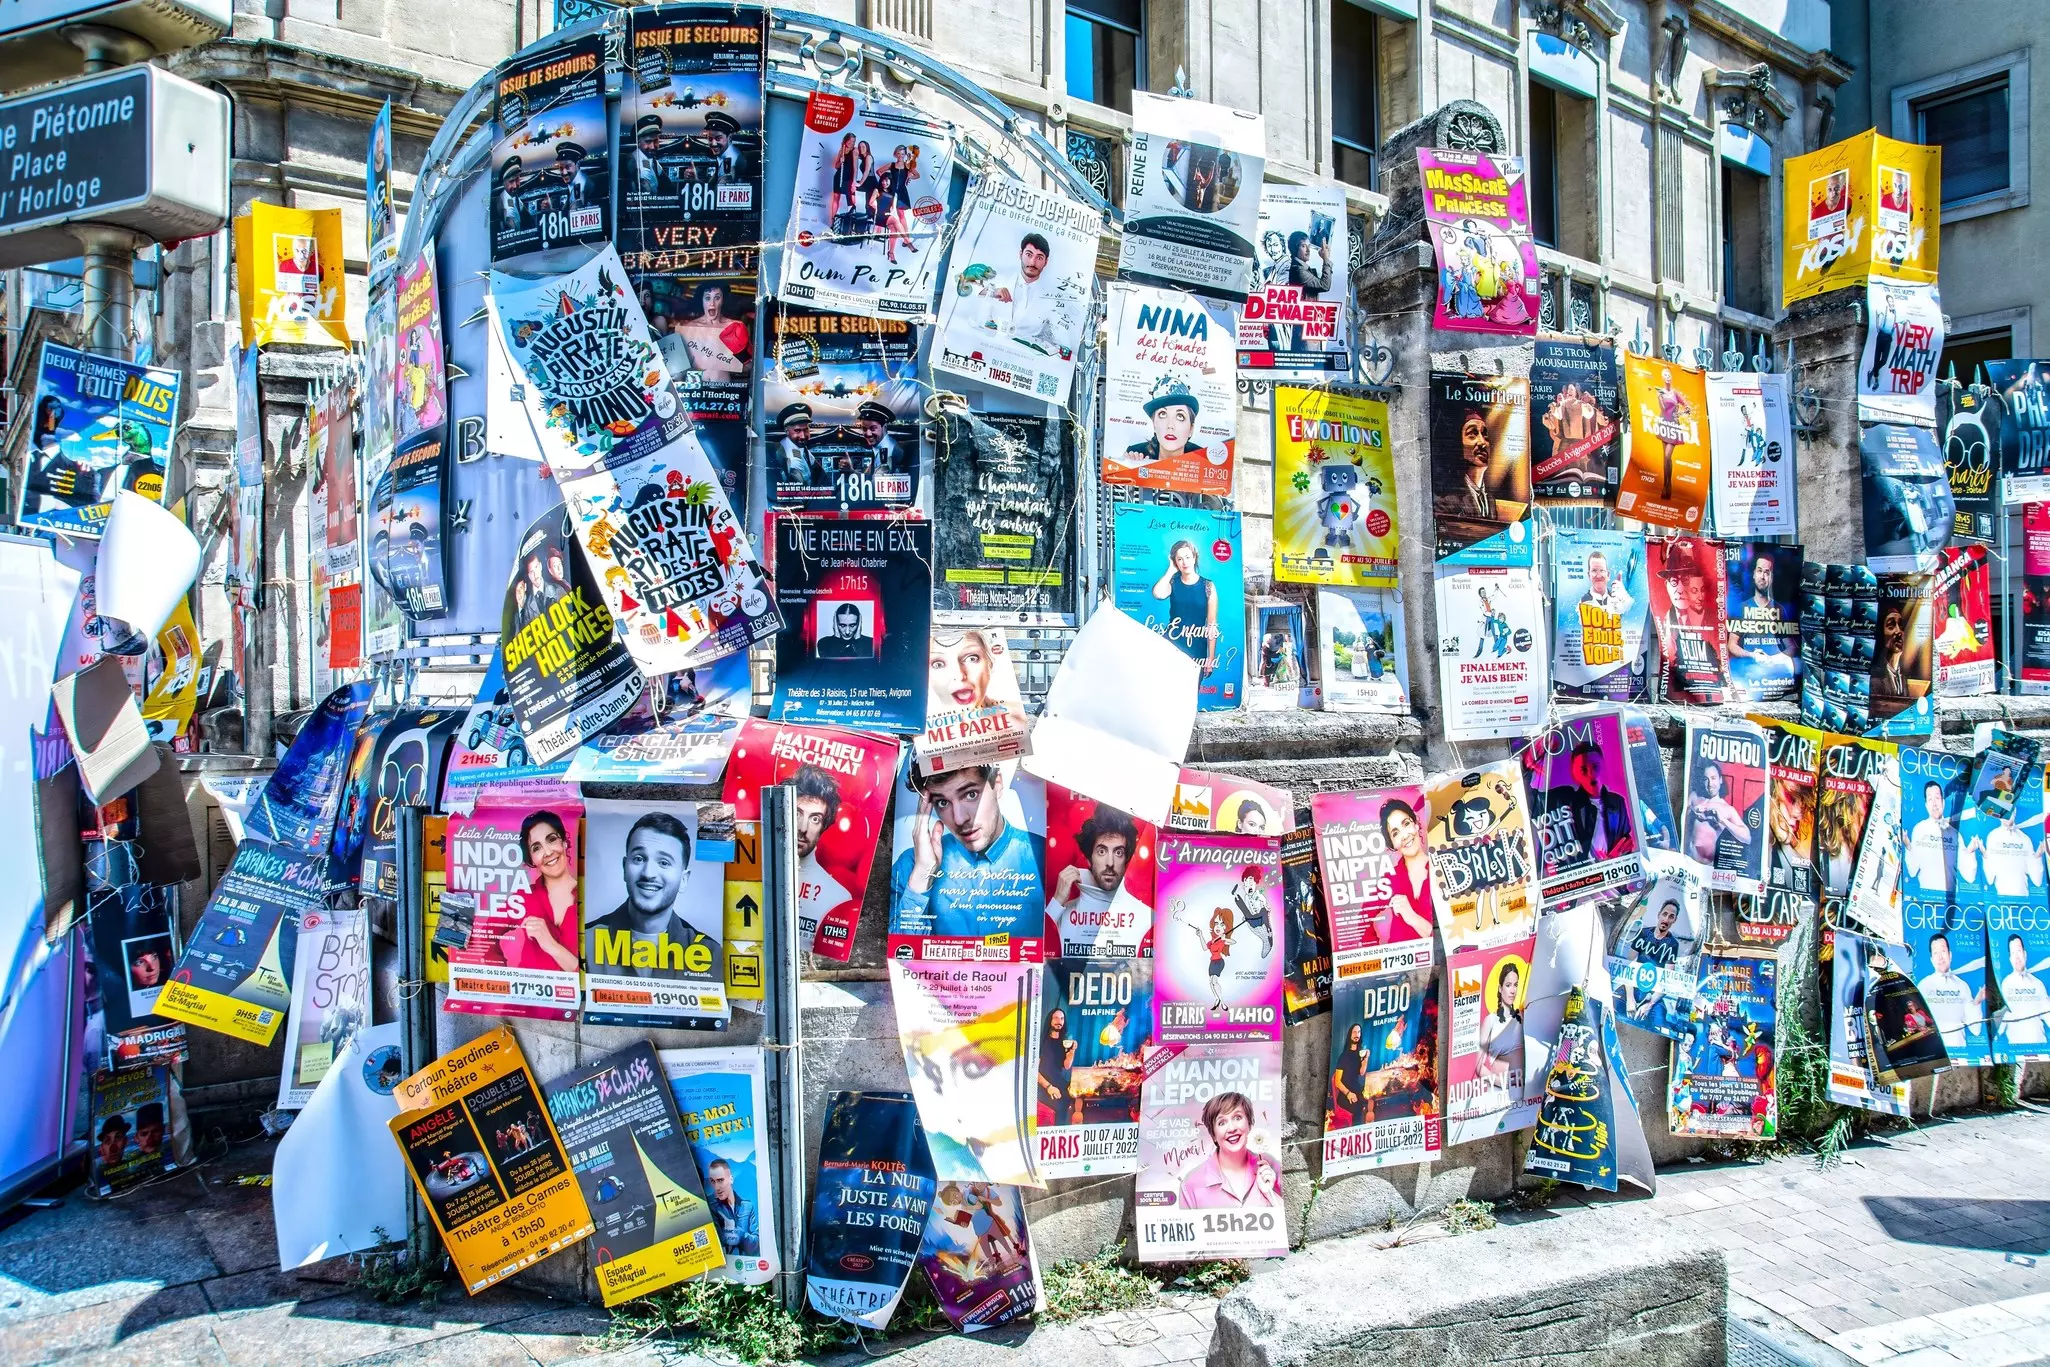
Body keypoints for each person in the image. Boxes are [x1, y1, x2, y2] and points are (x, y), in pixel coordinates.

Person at [893, 763, 1046, 941]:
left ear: (997, 785)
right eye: (942, 803)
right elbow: (901, 955)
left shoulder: (1042, 857)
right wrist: (921, 877)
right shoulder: (911, 865)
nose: (959, 818)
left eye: (971, 794)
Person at [584, 811, 717, 981]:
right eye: (639, 859)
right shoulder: (587, 940)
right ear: (625, 868)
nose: (648, 873)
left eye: (664, 862)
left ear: (683, 880)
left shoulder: (710, 953)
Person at [1045, 806, 1139, 945]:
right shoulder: (1062, 913)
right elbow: (1035, 952)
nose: (1110, 863)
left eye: (1118, 852)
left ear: (1126, 859)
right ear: (1089, 858)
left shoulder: (1144, 915)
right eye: (1102, 852)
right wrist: (1057, 901)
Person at [1539, 741, 1636, 871]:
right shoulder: (1565, 799)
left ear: (1603, 765)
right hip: (1579, 881)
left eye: (1595, 766)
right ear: (1574, 773)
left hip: (1612, 878)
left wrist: (1616, 859)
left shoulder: (1617, 802)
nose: (1591, 774)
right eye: (1583, 769)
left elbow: (1626, 842)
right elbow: (1533, 796)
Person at [502, 811, 580, 973]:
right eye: (536, 848)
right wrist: (500, 980)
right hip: (527, 995)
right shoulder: (522, 898)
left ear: (564, 842)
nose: (548, 852)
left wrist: (550, 945)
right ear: (531, 858)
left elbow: (596, 972)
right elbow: (481, 934)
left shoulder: (588, 895)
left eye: (551, 839)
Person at [1176, 1091, 1281, 1208]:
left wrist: (1269, 1194)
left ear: (1249, 1124)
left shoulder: (1271, 1166)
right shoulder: (1191, 1183)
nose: (1231, 1128)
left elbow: (1294, 1220)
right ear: (1213, 1135)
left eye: (1237, 1117)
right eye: (1221, 1123)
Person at [793, 765, 855, 937]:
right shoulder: (752, 876)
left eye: (815, 819)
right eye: (797, 814)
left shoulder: (838, 898)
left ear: (824, 827)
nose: (802, 828)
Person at [983, 231, 1063, 351]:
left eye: (1039, 257)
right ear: (1021, 254)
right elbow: (969, 293)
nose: (1032, 262)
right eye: (1029, 254)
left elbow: (1054, 337)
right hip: (989, 347)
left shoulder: (1052, 299)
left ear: (1046, 262)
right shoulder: (999, 278)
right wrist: (993, 292)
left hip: (1024, 359)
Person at [1151, 539, 1219, 676]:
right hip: (1172, 646)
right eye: (1180, 559)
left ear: (1194, 558)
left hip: (1197, 649)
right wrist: (1170, 570)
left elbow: (1212, 625)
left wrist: (1210, 659)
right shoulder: (1172, 582)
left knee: (1191, 694)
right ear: (1175, 562)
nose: (1184, 562)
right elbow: (1157, 594)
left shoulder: (1208, 586)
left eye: (1188, 557)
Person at [1727, 552, 1797, 682]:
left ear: (1772, 577)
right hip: (1749, 674)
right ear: (1753, 574)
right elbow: (1731, 645)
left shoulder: (1779, 609)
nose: (1763, 576)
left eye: (1767, 572)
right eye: (1759, 571)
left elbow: (1792, 647)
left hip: (1775, 675)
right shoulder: (1742, 609)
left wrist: (1773, 659)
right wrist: (1752, 655)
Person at [1380, 799, 1435, 943]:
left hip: (1439, 960)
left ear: (1416, 824)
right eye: (1395, 833)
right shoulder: (1389, 878)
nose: (1404, 835)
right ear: (1391, 843)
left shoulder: (1439, 867)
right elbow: (1362, 916)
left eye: (1406, 824)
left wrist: (1411, 917)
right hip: (1400, 960)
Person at [1915, 932, 1980, 1052]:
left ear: (1950, 955)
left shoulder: (1962, 986)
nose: (1940, 957)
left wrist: (1976, 1003)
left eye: (1943, 951)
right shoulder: (1923, 986)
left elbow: (1975, 1030)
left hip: (1958, 1051)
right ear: (1931, 959)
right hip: (1931, 1052)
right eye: (1935, 953)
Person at [1961, 809, 2044, 898]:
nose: (2007, 815)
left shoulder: (2025, 839)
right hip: (1999, 901)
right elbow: (1990, 879)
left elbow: (2037, 881)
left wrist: (2038, 855)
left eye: (2010, 811)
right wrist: (1985, 856)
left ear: (2015, 813)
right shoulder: (1993, 836)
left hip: (2024, 899)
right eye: (2004, 812)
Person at [1125, 380, 1209, 468]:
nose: (1170, 426)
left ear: (1191, 429)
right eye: (1163, 414)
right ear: (1154, 424)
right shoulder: (1136, 453)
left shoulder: (1203, 460)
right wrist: (1129, 469)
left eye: (1180, 416)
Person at [1435, 409, 1500, 521]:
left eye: (1485, 435)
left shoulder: (1490, 500)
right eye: (1472, 434)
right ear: (1458, 443)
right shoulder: (1447, 501)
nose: (1482, 442)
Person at [1687, 759, 1751, 867]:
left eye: (1713, 778)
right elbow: (1682, 815)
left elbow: (1747, 837)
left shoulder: (1727, 809)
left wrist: (1723, 821)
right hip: (1686, 860)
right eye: (1706, 779)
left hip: (1704, 867)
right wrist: (1693, 810)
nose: (1710, 784)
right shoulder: (1694, 796)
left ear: (1720, 780)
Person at [1903, 780, 1957, 896]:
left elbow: (1969, 876)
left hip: (1952, 900)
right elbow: (1912, 871)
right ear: (1926, 804)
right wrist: (1908, 846)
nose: (1934, 804)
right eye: (1930, 799)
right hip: (1927, 898)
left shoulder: (1954, 833)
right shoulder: (1919, 829)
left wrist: (1970, 852)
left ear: (1943, 802)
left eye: (1937, 798)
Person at [1476, 959, 1524, 1088]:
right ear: (1500, 988)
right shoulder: (1490, 1020)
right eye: (1508, 985)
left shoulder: (1523, 1016)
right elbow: (1479, 1067)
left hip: (1525, 1093)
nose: (1513, 990)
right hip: (1498, 1091)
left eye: (1516, 984)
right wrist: (1504, 1083)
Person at [1651, 367, 1695, 500]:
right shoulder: (1661, 393)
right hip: (1664, 424)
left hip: (1674, 426)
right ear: (1663, 378)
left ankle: (1668, 485)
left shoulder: (1675, 393)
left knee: (1667, 456)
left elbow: (1688, 408)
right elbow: (1663, 410)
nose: (1668, 377)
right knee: (1665, 458)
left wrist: (1679, 413)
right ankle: (1666, 485)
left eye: (1669, 375)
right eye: (1665, 375)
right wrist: (1659, 398)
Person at [1997, 934, 2048, 1047]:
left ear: (2025, 954)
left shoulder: (2038, 984)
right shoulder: (2005, 984)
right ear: (2010, 958)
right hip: (2016, 1049)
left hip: (2040, 1047)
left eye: (2019, 951)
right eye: (2013, 953)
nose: (2017, 957)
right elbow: (2000, 1024)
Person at [1038, 1005, 1081, 1126]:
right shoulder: (1041, 1042)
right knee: (1059, 1106)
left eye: (1062, 1018)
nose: (1059, 1021)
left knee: (1079, 1097)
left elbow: (1066, 1066)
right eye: (1056, 1018)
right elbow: (1032, 1070)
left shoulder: (1064, 1041)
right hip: (1044, 1085)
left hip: (1059, 1082)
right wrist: (1048, 1087)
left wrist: (1072, 1052)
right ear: (1050, 1021)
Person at [1628, 896, 1687, 966]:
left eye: (1671, 917)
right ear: (1659, 915)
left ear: (1675, 920)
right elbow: (1629, 961)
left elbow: (1669, 971)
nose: (1666, 920)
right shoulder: (1643, 933)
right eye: (1664, 914)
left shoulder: (1673, 944)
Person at [1231, 865, 1274, 957]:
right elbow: (1247, 909)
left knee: (1263, 911)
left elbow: (1263, 903)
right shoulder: (1246, 897)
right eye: (1246, 885)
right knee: (1242, 906)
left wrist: (1262, 903)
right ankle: (1236, 896)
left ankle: (1268, 932)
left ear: (1256, 883)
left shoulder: (1258, 895)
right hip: (1254, 921)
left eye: (1251, 884)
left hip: (1262, 919)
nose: (1248, 887)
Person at [1329, 1022, 1366, 1129]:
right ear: (1350, 1035)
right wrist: (1348, 1093)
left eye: (1359, 1032)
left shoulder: (1360, 1053)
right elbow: (1337, 1082)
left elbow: (1362, 1072)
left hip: (1356, 1090)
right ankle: (1356, 1136)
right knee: (1358, 1109)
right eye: (1354, 1032)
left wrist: (1366, 1058)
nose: (1357, 1034)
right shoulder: (1344, 1056)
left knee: (1370, 1101)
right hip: (1345, 1095)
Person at [1579, 548, 1633, 618]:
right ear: (1589, 575)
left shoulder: (1617, 597)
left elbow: (1634, 613)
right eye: (1594, 570)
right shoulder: (1583, 602)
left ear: (1608, 575)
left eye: (1602, 570)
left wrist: (1624, 597)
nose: (1598, 575)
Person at [776, 402, 817, 484]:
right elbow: (805, 488)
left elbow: (812, 463)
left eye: (805, 430)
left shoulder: (794, 446)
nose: (802, 436)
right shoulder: (794, 461)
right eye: (797, 430)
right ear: (787, 431)